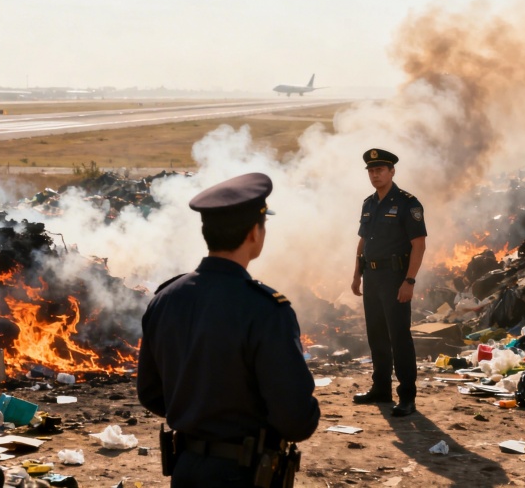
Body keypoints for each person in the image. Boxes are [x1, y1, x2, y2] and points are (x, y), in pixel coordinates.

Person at [137, 172, 320, 487]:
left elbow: (151, 393)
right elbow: (295, 420)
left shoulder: (165, 299)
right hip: (246, 474)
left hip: (186, 469)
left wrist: (198, 415)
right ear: (254, 233)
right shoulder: (266, 309)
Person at [351, 148, 427, 417]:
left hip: (395, 278)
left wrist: (409, 281)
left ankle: (407, 396)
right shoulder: (369, 203)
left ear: (392, 171)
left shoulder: (408, 203)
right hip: (371, 276)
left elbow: (419, 245)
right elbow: (363, 241)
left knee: (399, 336)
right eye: (371, 171)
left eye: (380, 170)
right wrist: (356, 274)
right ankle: (381, 388)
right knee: (377, 335)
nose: (375, 175)